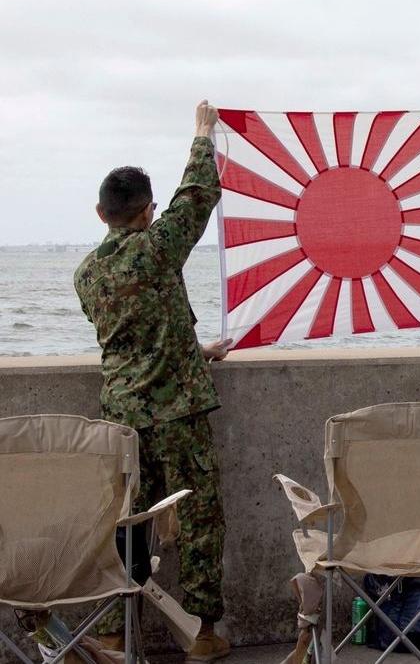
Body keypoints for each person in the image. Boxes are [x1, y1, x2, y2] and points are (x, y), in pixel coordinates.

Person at [74, 100, 233, 664]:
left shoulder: (87, 273)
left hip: (123, 421)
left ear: (101, 214)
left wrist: (194, 348)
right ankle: (205, 636)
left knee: (127, 527)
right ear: (147, 212)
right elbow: (199, 195)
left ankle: (117, 633)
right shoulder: (158, 247)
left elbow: (134, 334)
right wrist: (201, 133)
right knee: (198, 523)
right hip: (178, 420)